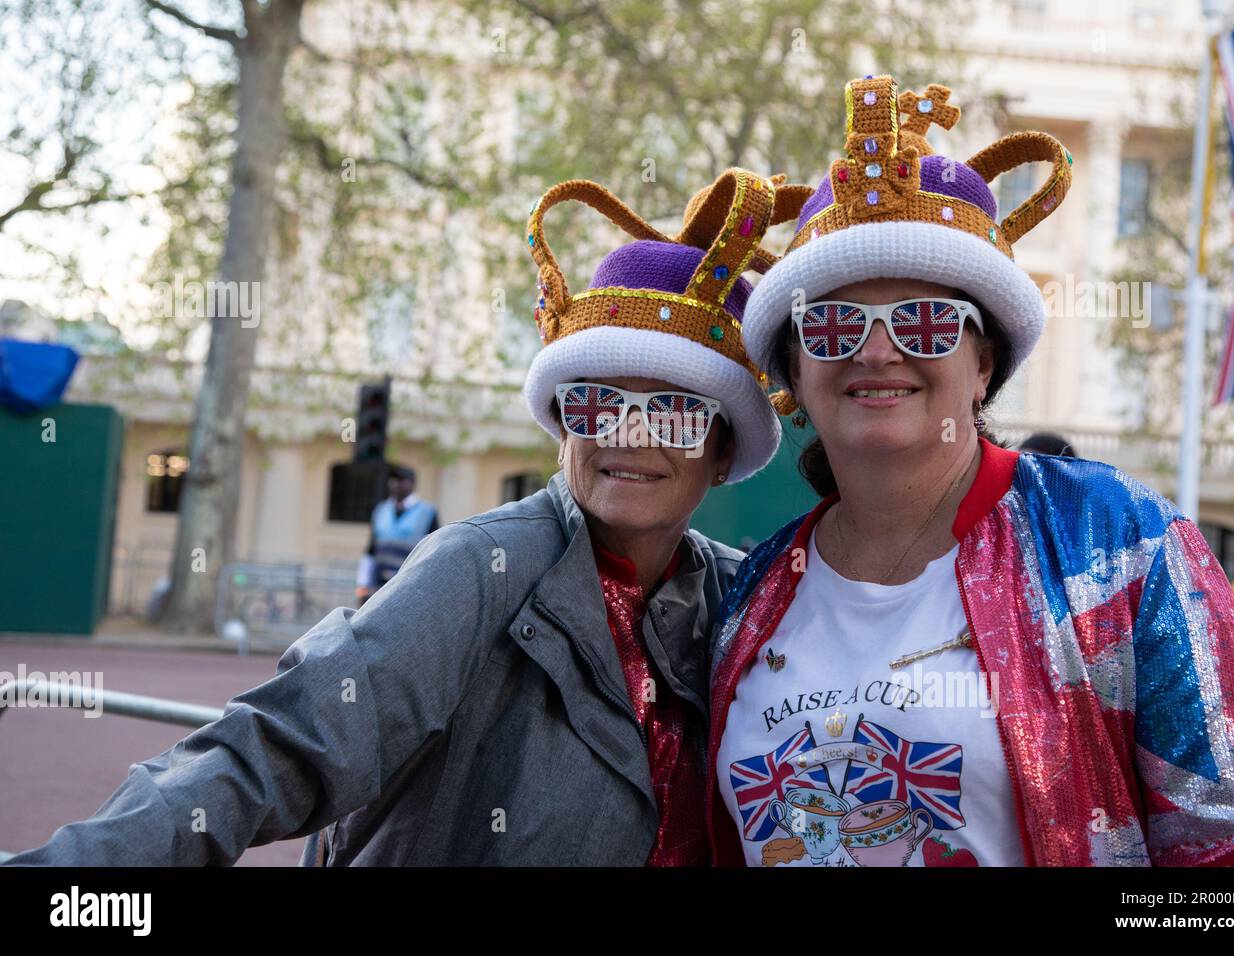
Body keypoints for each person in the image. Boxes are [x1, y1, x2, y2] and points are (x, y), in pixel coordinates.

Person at [3, 167, 794, 866]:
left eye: (677, 413)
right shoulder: (481, 569)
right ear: (563, 427)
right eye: (597, 403)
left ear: (723, 452)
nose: (629, 433)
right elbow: (276, 747)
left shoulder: (738, 600)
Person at [706, 75, 1234, 867]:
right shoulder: (751, 597)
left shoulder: (1119, 544)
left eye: (924, 321)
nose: (877, 350)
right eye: (834, 322)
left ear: (982, 363)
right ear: (795, 371)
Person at [355, 465, 438, 607]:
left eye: (401, 480)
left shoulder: (427, 512)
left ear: (411, 484)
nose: (396, 484)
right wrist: (363, 584)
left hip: (408, 584)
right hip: (379, 585)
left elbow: (433, 551)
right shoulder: (381, 509)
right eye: (393, 480)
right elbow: (371, 550)